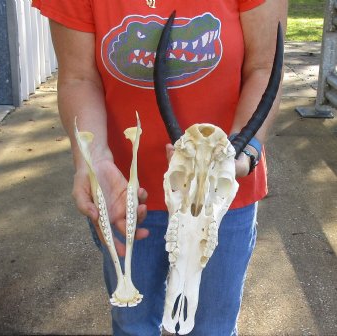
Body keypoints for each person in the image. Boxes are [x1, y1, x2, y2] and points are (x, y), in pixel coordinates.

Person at [33, 1, 287, 335]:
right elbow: (79, 77)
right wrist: (92, 162)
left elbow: (265, 67)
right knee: (132, 323)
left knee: (212, 328)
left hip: (219, 192)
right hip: (125, 193)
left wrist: (245, 150)